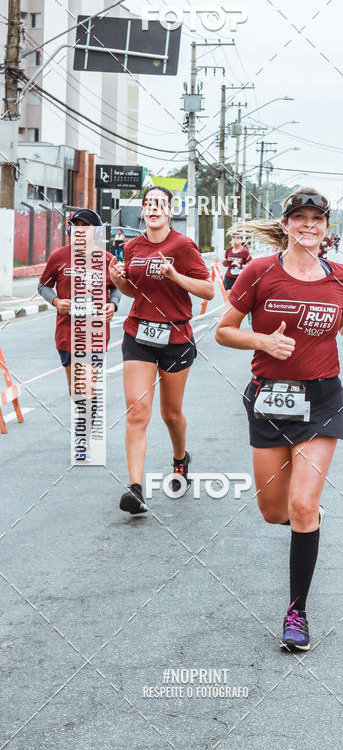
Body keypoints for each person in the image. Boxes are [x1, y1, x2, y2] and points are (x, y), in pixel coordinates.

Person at [215, 187, 343, 651]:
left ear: (326, 226)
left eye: (316, 219)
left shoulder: (340, 276)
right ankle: (308, 518)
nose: (308, 225)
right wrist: (261, 342)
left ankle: (296, 612)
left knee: (301, 506)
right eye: (299, 218)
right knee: (273, 512)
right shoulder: (261, 273)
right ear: (284, 225)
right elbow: (224, 331)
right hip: (270, 398)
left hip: (322, 399)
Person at [109, 185, 214, 515]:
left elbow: (207, 288)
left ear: (170, 211)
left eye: (160, 204)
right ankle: (136, 488)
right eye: (148, 203)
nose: (153, 208)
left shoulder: (182, 246)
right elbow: (133, 291)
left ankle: (181, 459)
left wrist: (174, 274)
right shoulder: (133, 246)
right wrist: (118, 279)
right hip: (138, 334)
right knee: (137, 411)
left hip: (175, 338)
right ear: (143, 211)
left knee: (171, 413)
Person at [37, 208, 120, 395]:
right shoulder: (58, 257)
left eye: (85, 226)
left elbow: (116, 286)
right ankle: (80, 424)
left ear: (96, 231)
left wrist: (113, 304)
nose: (80, 230)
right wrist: (56, 301)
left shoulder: (107, 260)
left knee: (87, 389)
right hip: (67, 334)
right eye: (76, 226)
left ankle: (85, 423)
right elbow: (43, 286)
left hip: (95, 334)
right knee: (75, 389)